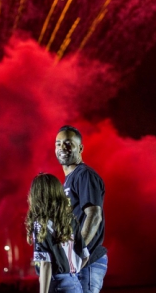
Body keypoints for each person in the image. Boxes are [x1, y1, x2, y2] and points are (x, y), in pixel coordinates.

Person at [55, 125, 107, 293]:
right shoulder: (68, 181)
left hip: (88, 261)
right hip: (75, 263)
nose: (62, 147)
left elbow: (94, 215)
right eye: (58, 143)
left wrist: (78, 252)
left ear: (80, 148)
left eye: (68, 143)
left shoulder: (84, 175)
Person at [25, 173, 90, 293]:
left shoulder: (41, 223)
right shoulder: (70, 220)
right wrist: (71, 275)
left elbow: (45, 264)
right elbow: (85, 256)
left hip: (56, 284)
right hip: (75, 284)